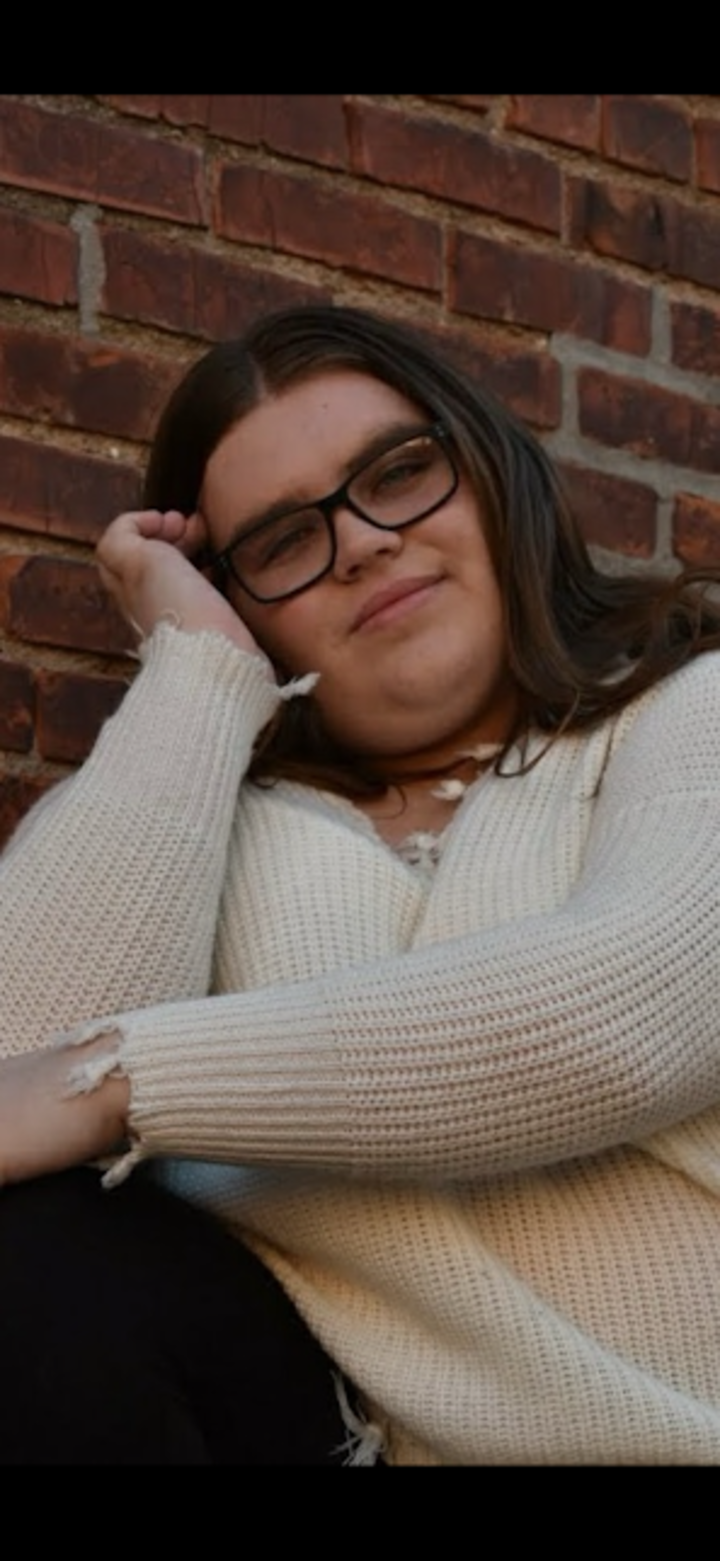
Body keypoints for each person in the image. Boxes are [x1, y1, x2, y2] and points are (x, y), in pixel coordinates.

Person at [1, 303, 720, 1467]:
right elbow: (9, 1091)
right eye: (285, 541)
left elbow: (618, 1022)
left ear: (488, 474)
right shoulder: (213, 832)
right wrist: (199, 674)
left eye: (398, 473)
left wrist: (117, 1081)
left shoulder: (685, 718)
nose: (365, 542)